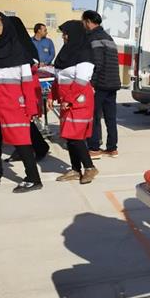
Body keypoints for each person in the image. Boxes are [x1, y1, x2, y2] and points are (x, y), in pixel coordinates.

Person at [0, 12, 43, 193]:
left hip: (13, 104)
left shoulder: (19, 52)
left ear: (6, 27)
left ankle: (33, 179)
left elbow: (27, 84)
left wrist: (31, 108)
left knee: (22, 141)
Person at [53, 21, 98, 184]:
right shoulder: (66, 52)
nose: (64, 37)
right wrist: (52, 95)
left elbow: (81, 80)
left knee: (74, 136)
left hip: (78, 100)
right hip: (66, 100)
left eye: (66, 33)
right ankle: (75, 169)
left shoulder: (85, 54)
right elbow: (58, 78)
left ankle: (90, 167)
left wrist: (69, 99)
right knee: (68, 136)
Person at [4, 17, 50, 162]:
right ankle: (21, 149)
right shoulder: (8, 44)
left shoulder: (24, 45)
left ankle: (40, 147)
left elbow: (32, 66)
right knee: (13, 122)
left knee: (23, 121)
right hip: (11, 88)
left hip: (25, 87)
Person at [82, 10, 120, 160]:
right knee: (111, 117)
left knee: (94, 116)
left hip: (100, 84)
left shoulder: (94, 37)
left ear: (88, 21)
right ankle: (112, 148)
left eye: (83, 21)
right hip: (112, 83)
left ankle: (94, 148)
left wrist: (92, 82)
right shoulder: (108, 37)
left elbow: (97, 63)